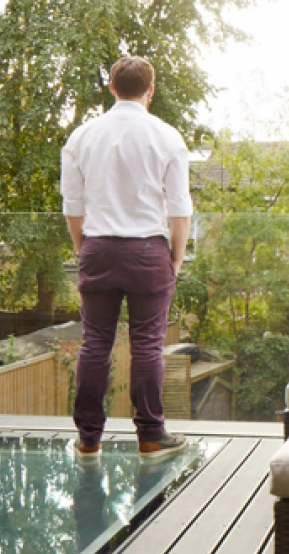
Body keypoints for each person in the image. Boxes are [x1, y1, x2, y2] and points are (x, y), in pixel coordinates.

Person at [60, 55, 193, 460]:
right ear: (150, 89)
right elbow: (179, 208)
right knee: (148, 346)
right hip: (149, 252)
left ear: (113, 87)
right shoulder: (168, 137)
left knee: (95, 344)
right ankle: (151, 436)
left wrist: (85, 249)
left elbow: (73, 205)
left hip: (98, 247)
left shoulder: (81, 137)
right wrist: (176, 258)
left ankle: (88, 439)